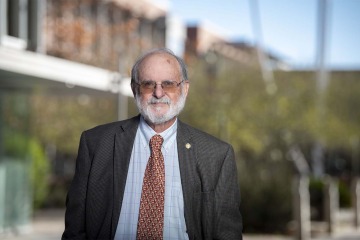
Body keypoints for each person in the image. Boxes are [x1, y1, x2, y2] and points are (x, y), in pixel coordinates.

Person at [62, 48, 242, 240]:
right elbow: (75, 229)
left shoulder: (216, 155)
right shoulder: (96, 144)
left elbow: (227, 234)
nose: (158, 93)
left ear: (185, 89)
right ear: (134, 89)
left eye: (168, 84)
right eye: (148, 84)